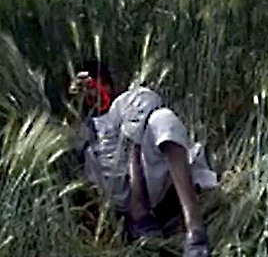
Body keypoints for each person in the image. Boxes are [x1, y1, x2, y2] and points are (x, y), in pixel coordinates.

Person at [69, 59, 217, 257]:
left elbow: (147, 102)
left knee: (161, 116)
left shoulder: (125, 105)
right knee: (135, 106)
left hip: (148, 179)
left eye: (99, 83)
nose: (95, 90)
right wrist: (75, 105)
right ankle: (137, 212)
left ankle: (195, 228)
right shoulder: (80, 126)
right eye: (89, 86)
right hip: (113, 187)